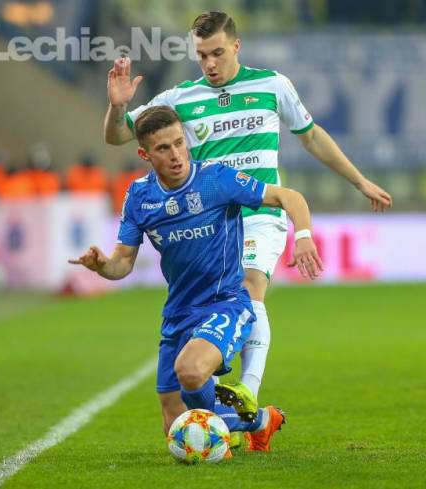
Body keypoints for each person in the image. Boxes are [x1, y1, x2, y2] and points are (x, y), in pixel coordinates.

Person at [102, 11, 393, 411]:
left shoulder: (272, 85)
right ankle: (219, 411)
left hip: (260, 212)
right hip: (211, 223)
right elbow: (118, 134)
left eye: (217, 53)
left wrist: (359, 182)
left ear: (236, 46)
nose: (209, 63)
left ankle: (248, 394)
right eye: (201, 55)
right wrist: (117, 107)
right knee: (211, 310)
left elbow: (311, 137)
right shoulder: (180, 98)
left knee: (250, 286)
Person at [71, 106, 323, 452]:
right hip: (178, 313)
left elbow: (287, 196)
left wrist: (304, 235)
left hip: (225, 303)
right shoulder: (140, 197)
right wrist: (102, 265)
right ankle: (261, 421)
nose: (176, 155)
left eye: (179, 143)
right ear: (145, 154)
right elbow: (123, 263)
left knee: (189, 371)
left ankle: (229, 422)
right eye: (163, 148)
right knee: (175, 426)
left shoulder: (215, 179)